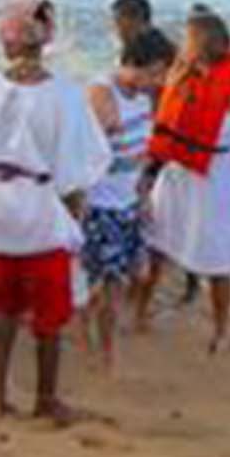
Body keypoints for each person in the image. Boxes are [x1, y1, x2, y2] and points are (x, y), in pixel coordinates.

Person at [0, 0, 111, 424]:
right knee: (49, 316)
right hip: (40, 212)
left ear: (7, 41)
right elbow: (77, 170)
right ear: (46, 41)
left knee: (4, 309)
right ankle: (45, 398)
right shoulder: (65, 95)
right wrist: (74, 216)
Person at [142, 9, 230, 353]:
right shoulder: (180, 74)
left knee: (219, 259)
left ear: (201, 44)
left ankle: (221, 330)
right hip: (178, 176)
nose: (182, 45)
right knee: (157, 245)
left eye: (187, 39)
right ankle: (140, 313)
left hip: (218, 182)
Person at [82, 25, 174, 363]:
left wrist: (144, 194)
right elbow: (81, 155)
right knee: (112, 283)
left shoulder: (145, 97)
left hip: (130, 200)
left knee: (140, 273)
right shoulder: (102, 94)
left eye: (162, 74)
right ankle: (105, 353)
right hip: (101, 205)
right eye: (155, 73)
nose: (160, 82)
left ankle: (87, 315)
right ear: (135, 63)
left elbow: (143, 150)